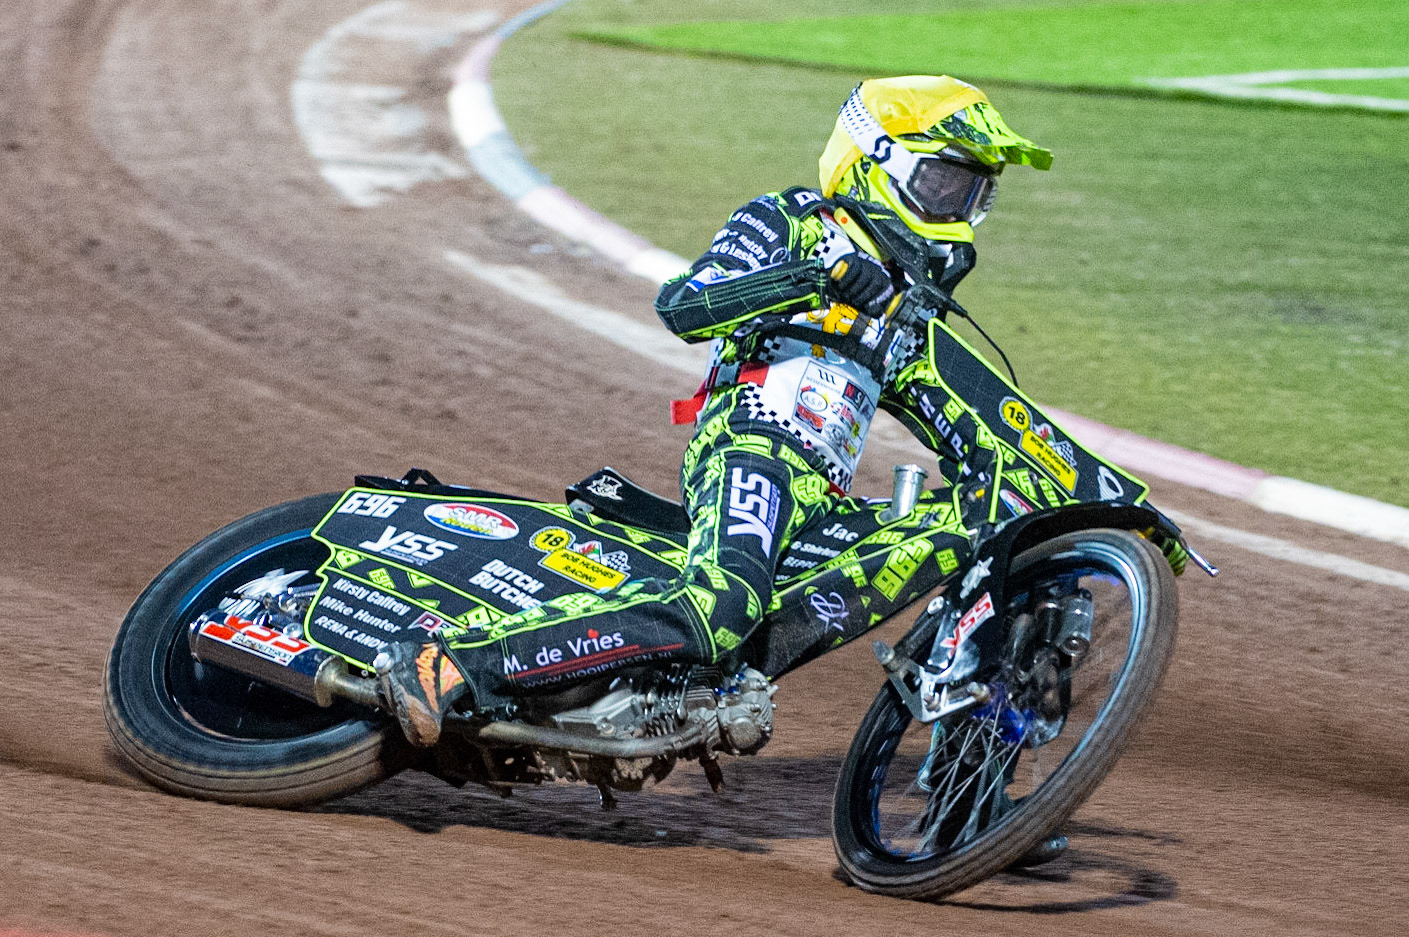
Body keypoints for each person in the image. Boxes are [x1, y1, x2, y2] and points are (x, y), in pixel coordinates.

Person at [378, 75, 1057, 748]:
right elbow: (684, 305)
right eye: (944, 182)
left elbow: (973, 429)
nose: (959, 208)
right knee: (721, 605)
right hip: (749, 446)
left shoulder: (900, 310)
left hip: (825, 497)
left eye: (974, 193)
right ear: (874, 159)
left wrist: (1111, 509)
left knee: (977, 521)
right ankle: (452, 659)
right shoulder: (792, 220)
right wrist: (816, 279)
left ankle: (976, 785)